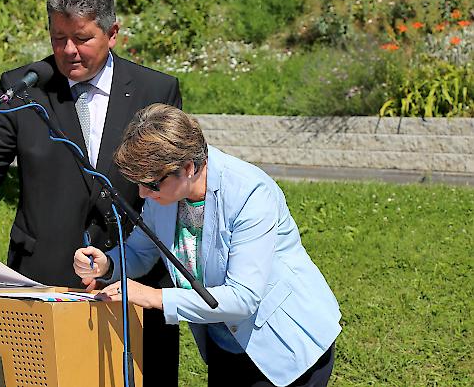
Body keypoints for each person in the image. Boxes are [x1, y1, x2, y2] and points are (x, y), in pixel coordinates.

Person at [0, 0, 182, 385]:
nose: (68, 51)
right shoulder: (24, 88)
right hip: (42, 279)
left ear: (113, 33)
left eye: (82, 38)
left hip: (135, 283)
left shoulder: (155, 90)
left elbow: (174, 184)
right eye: (57, 38)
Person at [74, 104, 342, 387]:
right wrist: (107, 264)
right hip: (225, 346)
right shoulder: (163, 196)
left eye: (151, 183)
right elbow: (141, 251)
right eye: (138, 183)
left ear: (188, 168)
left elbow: (242, 298)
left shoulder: (250, 193)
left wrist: (155, 297)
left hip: (286, 345)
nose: (142, 193)